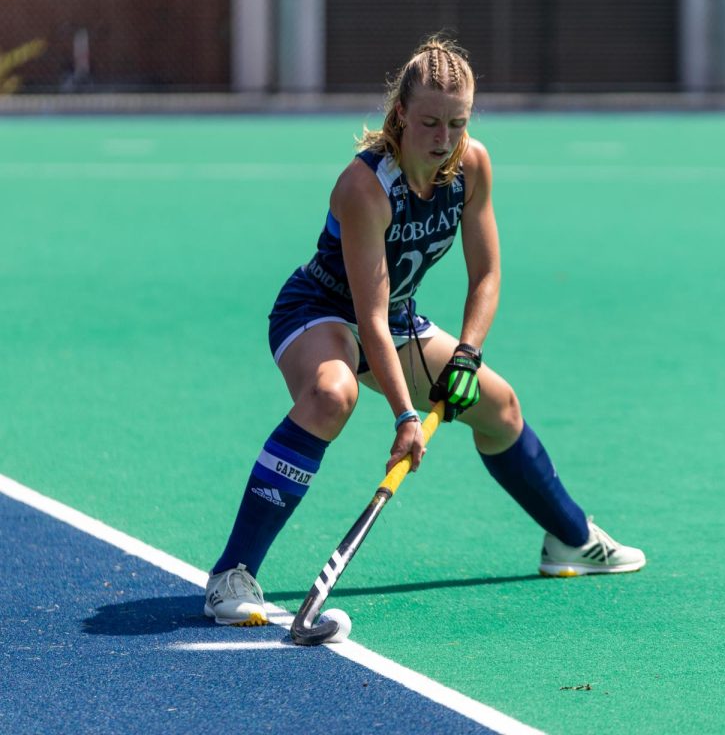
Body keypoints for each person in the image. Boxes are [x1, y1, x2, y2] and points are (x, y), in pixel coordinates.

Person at [204, 36, 646, 627]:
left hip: (398, 319)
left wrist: (467, 354)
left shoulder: (472, 167)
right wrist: (406, 417)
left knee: (500, 406)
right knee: (332, 394)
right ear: (402, 114)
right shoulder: (366, 187)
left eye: (457, 124)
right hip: (322, 311)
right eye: (431, 122)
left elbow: (485, 275)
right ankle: (231, 575)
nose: (444, 139)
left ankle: (571, 539)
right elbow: (368, 317)